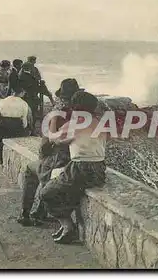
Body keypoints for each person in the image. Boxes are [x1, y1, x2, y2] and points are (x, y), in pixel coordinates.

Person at [42, 91, 107, 244]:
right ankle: (66, 227)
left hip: (80, 169)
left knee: (46, 192)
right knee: (67, 190)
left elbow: (52, 137)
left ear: (75, 107)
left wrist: (53, 117)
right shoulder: (99, 123)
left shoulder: (74, 124)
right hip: (99, 169)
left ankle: (67, 225)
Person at [16, 78, 83, 227]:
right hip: (72, 158)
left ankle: (25, 214)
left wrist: (44, 152)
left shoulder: (58, 112)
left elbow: (50, 139)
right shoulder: (80, 112)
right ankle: (40, 213)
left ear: (62, 95)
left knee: (30, 171)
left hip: (57, 158)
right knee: (44, 174)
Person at [0, 87, 32, 165]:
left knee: (2, 141)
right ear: (22, 93)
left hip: (2, 124)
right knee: (17, 142)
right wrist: (25, 128)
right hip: (16, 125)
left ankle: (1, 159)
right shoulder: (24, 103)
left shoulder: (3, 101)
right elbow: (24, 120)